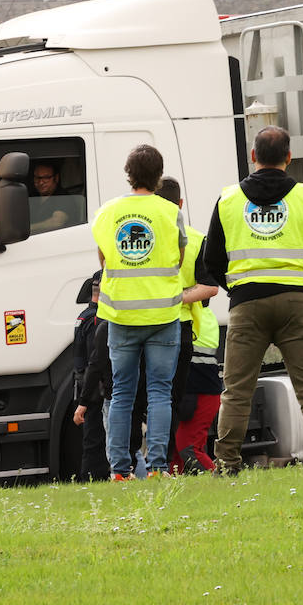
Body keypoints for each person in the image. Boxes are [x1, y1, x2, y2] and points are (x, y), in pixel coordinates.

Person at [204, 126, 303, 474]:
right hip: (296, 301)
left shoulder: (228, 199)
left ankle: (227, 463)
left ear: (253, 156)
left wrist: (237, 287)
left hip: (247, 303)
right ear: (288, 157)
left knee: (237, 390)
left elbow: (211, 259)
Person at [91, 144, 187, 480]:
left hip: (121, 316)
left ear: (128, 175)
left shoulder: (107, 213)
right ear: (159, 178)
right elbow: (177, 258)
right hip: (162, 315)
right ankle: (159, 467)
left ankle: (120, 470)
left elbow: (103, 260)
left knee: (122, 391)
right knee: (160, 391)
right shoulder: (169, 212)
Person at [155, 177, 223, 473]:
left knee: (185, 449)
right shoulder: (195, 239)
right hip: (187, 339)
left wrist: (169, 299)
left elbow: (211, 288)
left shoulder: (190, 240)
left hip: (192, 344)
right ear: (180, 203)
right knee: (176, 451)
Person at [71, 270, 110, 481]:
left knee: (91, 437)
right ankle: (90, 478)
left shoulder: (84, 315)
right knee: (97, 438)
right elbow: (97, 358)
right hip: (94, 387)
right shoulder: (96, 319)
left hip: (84, 383)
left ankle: (88, 477)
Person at [30, 161, 71, 233]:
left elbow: (57, 222)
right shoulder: (32, 196)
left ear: (56, 178)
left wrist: (29, 228)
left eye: (46, 177)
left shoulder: (63, 196)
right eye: (37, 178)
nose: (41, 182)